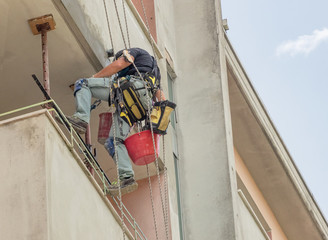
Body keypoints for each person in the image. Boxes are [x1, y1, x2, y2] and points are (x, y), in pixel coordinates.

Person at [66, 48, 170, 196]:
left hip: (131, 89)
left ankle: (81, 119)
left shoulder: (134, 52)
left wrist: (95, 77)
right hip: (138, 106)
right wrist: (159, 121)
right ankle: (126, 176)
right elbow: (161, 97)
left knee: (83, 83)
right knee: (113, 140)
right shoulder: (153, 72)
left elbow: (121, 63)